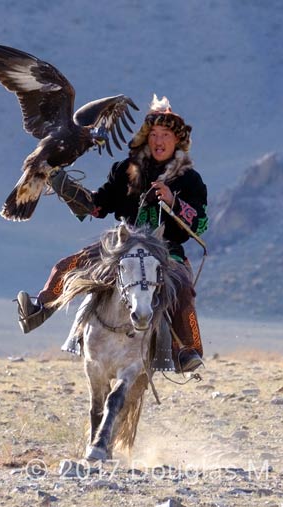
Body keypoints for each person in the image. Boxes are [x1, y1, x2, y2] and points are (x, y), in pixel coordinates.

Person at [16, 94, 208, 372]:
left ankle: (187, 351)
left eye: (165, 134)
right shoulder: (124, 170)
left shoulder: (190, 180)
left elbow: (200, 224)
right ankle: (38, 310)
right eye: (153, 134)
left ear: (177, 140)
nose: (158, 140)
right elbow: (97, 207)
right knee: (66, 265)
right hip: (122, 245)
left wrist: (173, 201)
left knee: (184, 292)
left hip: (167, 251)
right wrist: (64, 186)